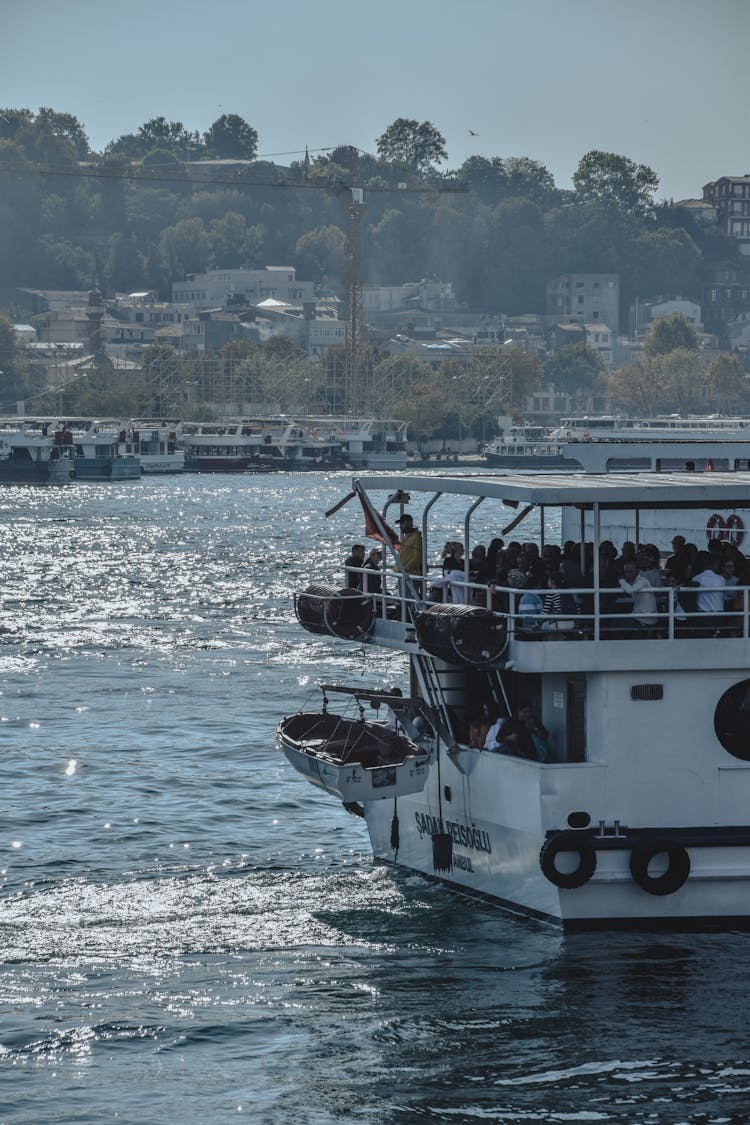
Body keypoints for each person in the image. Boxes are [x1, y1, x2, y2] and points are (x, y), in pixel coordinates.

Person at [617, 559, 658, 632]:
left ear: (637, 571)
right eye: (626, 571)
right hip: (643, 618)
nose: (627, 574)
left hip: (644, 620)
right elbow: (631, 592)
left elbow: (630, 590)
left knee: (614, 623)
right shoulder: (636, 582)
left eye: (630, 571)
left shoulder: (642, 581)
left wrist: (621, 581)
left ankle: (619, 643)